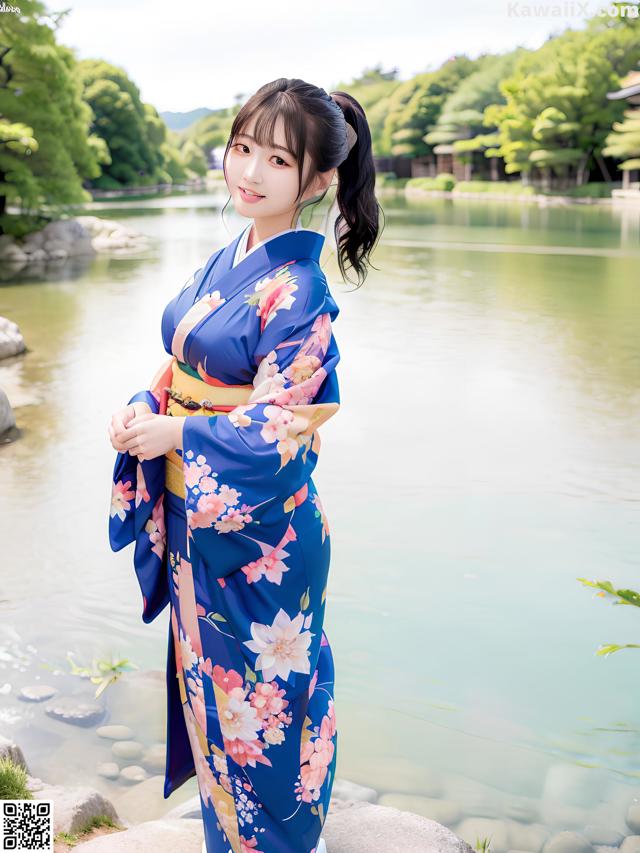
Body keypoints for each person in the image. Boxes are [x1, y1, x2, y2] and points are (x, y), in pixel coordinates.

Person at [108, 77, 382, 853]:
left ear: (319, 181)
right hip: (204, 524)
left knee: (263, 702)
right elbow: (181, 369)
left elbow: (282, 423)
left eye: (276, 160)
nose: (250, 171)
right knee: (212, 696)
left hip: (259, 537)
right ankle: (230, 840)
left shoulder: (300, 289)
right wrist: (140, 408)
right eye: (241, 147)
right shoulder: (231, 258)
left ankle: (287, 843)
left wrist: (179, 438)